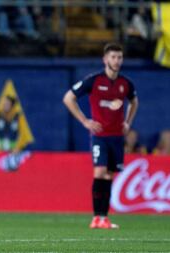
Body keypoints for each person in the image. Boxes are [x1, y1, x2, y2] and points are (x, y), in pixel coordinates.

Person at [63, 43, 139, 229]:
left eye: (119, 57)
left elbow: (134, 101)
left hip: (116, 137)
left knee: (108, 176)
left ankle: (103, 218)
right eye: (113, 57)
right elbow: (68, 98)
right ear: (105, 60)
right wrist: (85, 121)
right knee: (99, 172)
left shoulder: (125, 84)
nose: (116, 61)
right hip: (100, 136)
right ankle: (96, 217)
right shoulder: (93, 80)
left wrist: (128, 122)